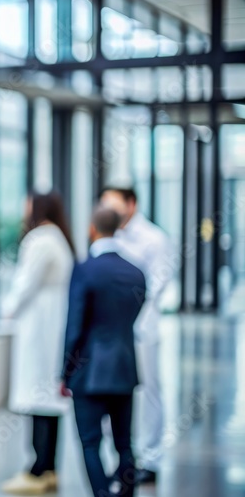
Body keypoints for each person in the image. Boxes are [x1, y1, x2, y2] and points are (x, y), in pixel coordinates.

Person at [62, 206, 146, 497]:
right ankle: (126, 493)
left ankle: (101, 494)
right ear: (119, 229)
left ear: (92, 229)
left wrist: (66, 372)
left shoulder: (85, 270)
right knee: (124, 442)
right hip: (124, 367)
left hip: (88, 372)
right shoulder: (136, 272)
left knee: (89, 442)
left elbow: (75, 328)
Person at [0, 192, 76, 495]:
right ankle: (49, 468)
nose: (24, 210)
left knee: (38, 397)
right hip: (51, 325)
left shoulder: (41, 239)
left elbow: (24, 284)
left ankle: (37, 469)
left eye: (27, 204)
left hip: (38, 327)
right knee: (47, 398)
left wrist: (8, 309)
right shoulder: (57, 237)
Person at [100, 186, 174, 485]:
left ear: (131, 204)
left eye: (114, 204)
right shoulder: (110, 237)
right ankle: (122, 458)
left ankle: (151, 458)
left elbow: (156, 285)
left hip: (142, 328)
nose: (108, 210)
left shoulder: (154, 239)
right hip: (111, 330)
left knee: (149, 391)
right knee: (113, 392)